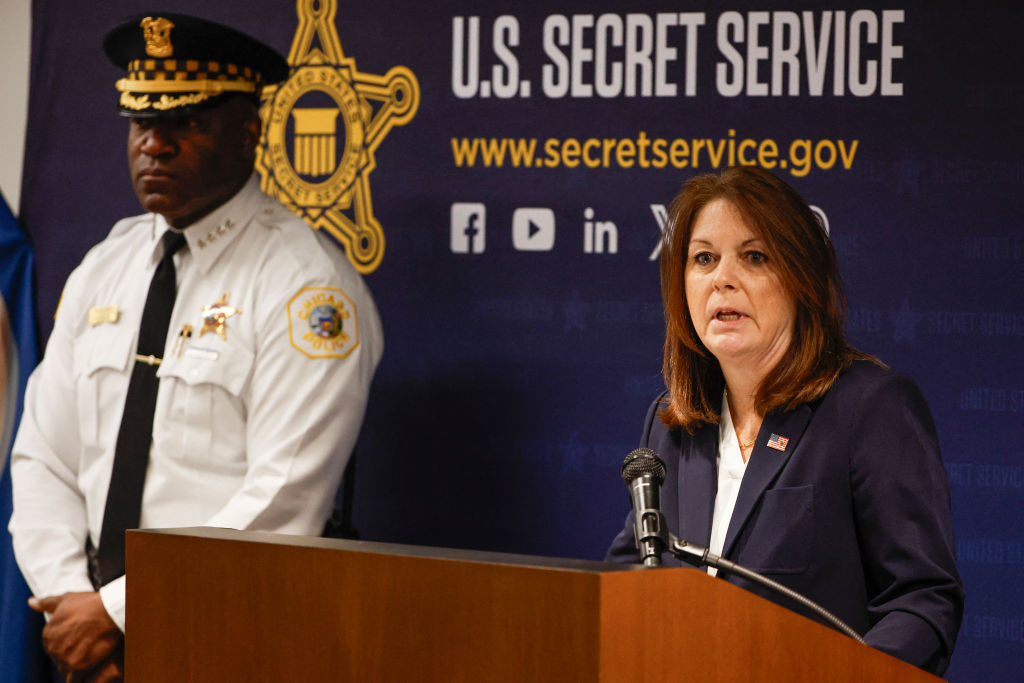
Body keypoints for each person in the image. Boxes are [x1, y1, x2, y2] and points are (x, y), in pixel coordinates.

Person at [10, 13, 382, 682]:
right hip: (88, 647)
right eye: (140, 123)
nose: (155, 145)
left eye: (188, 123)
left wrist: (115, 611)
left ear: (250, 135)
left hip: (233, 634)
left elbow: (282, 502)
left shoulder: (305, 286)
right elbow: (43, 456)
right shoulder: (107, 263)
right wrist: (73, 604)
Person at [606, 166, 963, 675]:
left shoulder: (869, 408)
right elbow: (629, 579)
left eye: (754, 257)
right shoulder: (672, 425)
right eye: (704, 258)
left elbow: (923, 601)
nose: (723, 278)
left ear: (801, 277)